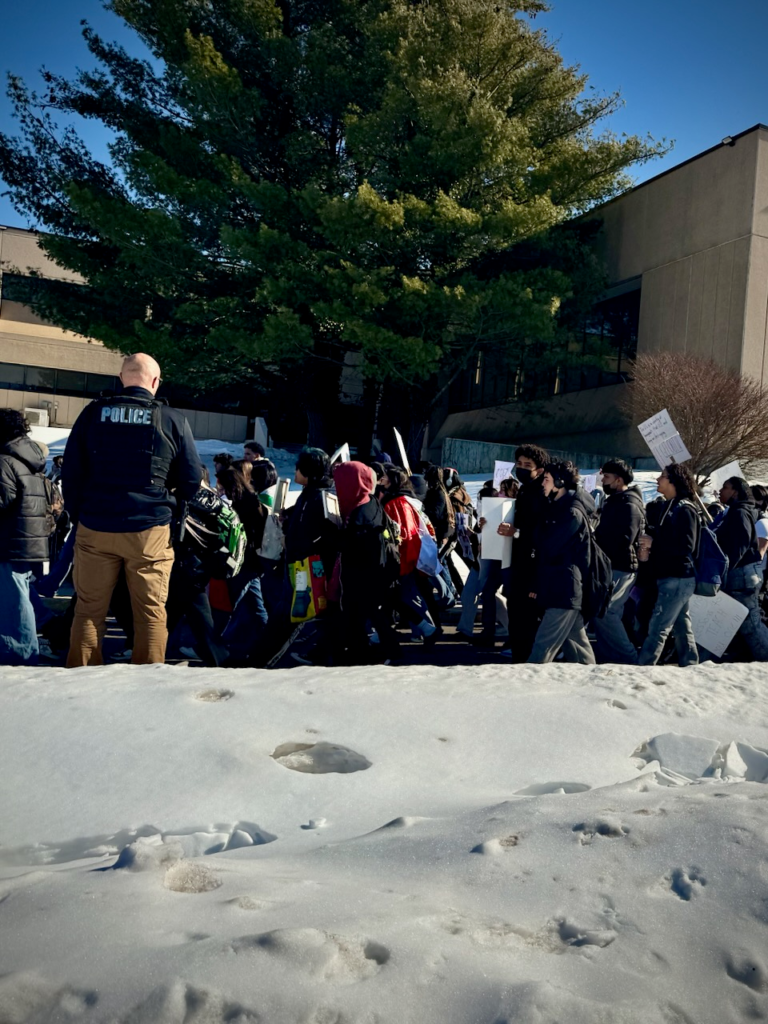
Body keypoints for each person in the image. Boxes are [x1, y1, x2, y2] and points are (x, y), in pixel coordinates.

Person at [61, 353, 203, 666]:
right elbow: (192, 479)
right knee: (150, 615)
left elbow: (70, 473)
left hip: (96, 526)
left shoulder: (92, 413)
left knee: (88, 611)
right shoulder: (171, 419)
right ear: (155, 382)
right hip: (149, 529)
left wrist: (79, 514)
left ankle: (78, 687)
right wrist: (169, 506)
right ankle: (146, 693)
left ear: (122, 378)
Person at [527, 460, 595, 664]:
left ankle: (524, 689)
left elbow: (548, 547)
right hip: (560, 587)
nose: (542, 484)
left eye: (546, 480)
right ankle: (596, 683)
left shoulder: (570, 513)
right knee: (578, 647)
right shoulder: (556, 508)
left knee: (542, 648)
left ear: (559, 482)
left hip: (563, 588)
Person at [333, 461, 399, 663]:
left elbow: (352, 543)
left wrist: (333, 534)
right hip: (373, 571)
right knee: (364, 613)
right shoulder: (368, 501)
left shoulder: (361, 513)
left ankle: (387, 652)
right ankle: (360, 650)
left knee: (364, 611)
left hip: (364, 573)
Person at [637, 463, 700, 667]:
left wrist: (654, 543)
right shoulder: (670, 506)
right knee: (682, 626)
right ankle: (691, 664)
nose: (657, 479)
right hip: (672, 576)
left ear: (674, 482)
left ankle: (644, 668)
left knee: (658, 627)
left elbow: (686, 545)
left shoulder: (684, 509)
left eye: (662, 476)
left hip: (678, 576)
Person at [0, 410, 49, 665]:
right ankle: (23, 650)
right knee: (20, 597)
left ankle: (19, 655)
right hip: (25, 540)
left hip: (8, 541)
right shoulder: (28, 459)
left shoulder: (4, 461)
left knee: (14, 602)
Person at [496, 444, 549, 660]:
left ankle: (525, 656)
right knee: (515, 610)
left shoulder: (542, 492)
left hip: (533, 565)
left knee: (526, 613)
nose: (522, 468)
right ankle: (519, 652)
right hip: (517, 561)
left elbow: (541, 530)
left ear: (541, 469)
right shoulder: (525, 489)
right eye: (519, 464)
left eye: (528, 465)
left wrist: (517, 532)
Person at [216, 459, 269, 664]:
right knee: (256, 607)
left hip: (241, 562)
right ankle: (268, 640)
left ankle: (212, 643)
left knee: (228, 606)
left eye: (221, 485)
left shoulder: (238, 505)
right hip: (253, 562)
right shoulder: (252, 500)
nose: (219, 489)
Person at [593, 458, 645, 664]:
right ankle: (611, 657)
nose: (603, 480)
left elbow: (625, 538)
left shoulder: (629, 504)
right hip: (612, 564)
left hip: (621, 565)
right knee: (606, 613)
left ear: (618, 480)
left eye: (606, 477)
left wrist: (597, 540)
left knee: (607, 613)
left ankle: (629, 657)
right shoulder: (615, 501)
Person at [713, 477, 768, 660]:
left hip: (741, 577)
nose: (721, 490)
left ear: (735, 492)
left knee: (751, 626)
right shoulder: (738, 511)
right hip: (741, 575)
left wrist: (725, 568)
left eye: (725, 487)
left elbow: (740, 544)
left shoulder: (740, 513)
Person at [380, 465, 436, 640]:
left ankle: (428, 629)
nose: (381, 480)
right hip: (407, 557)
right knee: (404, 597)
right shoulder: (405, 501)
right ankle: (424, 629)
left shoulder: (396, 503)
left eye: (385, 478)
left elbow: (400, 534)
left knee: (406, 597)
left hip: (401, 558)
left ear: (393, 481)